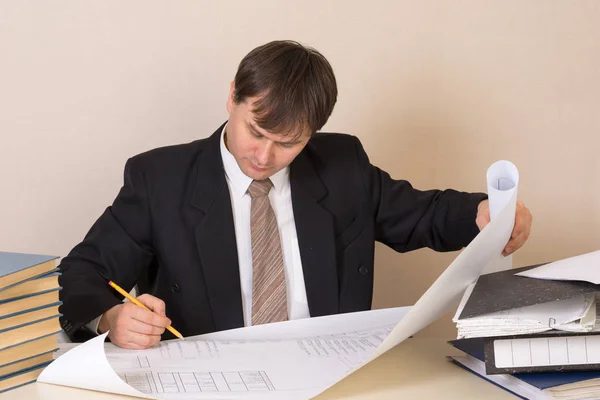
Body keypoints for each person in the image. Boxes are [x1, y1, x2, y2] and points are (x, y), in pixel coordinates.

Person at [58, 40, 532, 349]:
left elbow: (423, 214)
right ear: (232, 99)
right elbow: (84, 270)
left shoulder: (343, 165)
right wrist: (110, 318)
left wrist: (484, 213)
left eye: (289, 143)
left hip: (329, 373)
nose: (265, 155)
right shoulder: (159, 177)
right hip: (208, 383)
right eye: (256, 130)